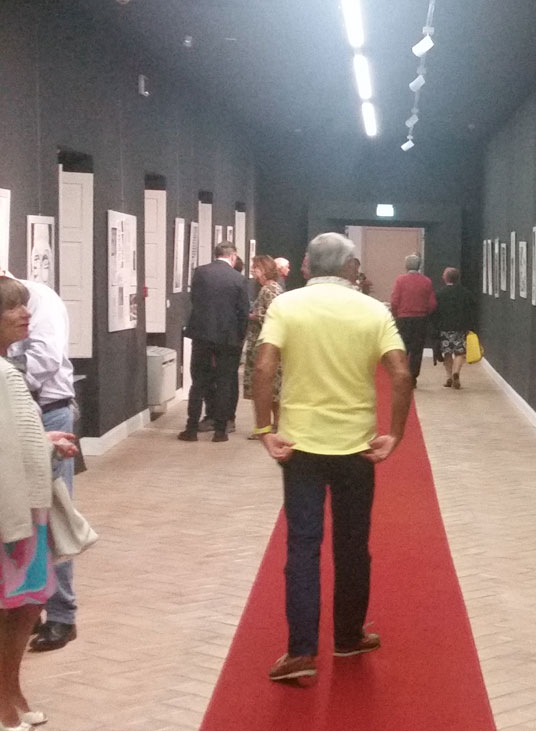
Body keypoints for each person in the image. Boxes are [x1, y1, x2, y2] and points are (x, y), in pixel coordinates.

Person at [252, 232, 412, 683]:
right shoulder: (373, 310)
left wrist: (264, 429)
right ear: (351, 266)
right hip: (356, 447)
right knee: (352, 544)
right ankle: (347, 636)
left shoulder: (286, 305)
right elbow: (401, 374)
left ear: (307, 265)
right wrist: (395, 433)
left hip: (300, 445)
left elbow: (263, 367)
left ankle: (301, 651)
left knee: (303, 546)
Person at [0, 275, 78, 729]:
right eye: (11, 308)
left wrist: (42, 441)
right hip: (13, 510)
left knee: (24, 603)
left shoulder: (7, 370)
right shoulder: (5, 375)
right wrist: (41, 445)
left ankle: (11, 693)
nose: (24, 314)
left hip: (23, 504)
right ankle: (4, 706)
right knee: (14, 606)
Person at [179, 243, 249, 443]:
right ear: (233, 256)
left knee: (198, 382)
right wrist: (239, 337)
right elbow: (243, 311)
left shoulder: (200, 273)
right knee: (225, 382)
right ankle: (220, 431)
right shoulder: (238, 278)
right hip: (228, 338)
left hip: (202, 334)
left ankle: (191, 428)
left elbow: (194, 300)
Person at [242, 256, 284, 439]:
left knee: (267, 388)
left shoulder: (270, 290)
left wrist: (253, 316)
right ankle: (274, 425)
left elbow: (274, 316)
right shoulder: (269, 288)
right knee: (271, 389)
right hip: (263, 344)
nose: (253, 271)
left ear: (265, 269)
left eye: (256, 268)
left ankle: (268, 426)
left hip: (264, 346)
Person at [388, 255, 437, 383]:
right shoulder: (426, 281)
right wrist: (424, 312)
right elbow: (432, 303)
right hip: (420, 319)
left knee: (402, 347)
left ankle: (401, 374)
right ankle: (413, 376)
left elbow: (394, 300)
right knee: (417, 349)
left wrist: (396, 314)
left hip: (403, 318)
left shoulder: (400, 280)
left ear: (406, 266)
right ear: (419, 266)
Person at [434, 267, 474, 390]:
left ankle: (449, 377)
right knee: (459, 352)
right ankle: (456, 372)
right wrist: (469, 326)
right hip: (460, 327)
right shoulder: (466, 293)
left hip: (444, 327)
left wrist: (435, 326)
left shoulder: (439, 294)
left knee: (447, 352)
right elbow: (471, 310)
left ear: (446, 278)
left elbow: (435, 312)